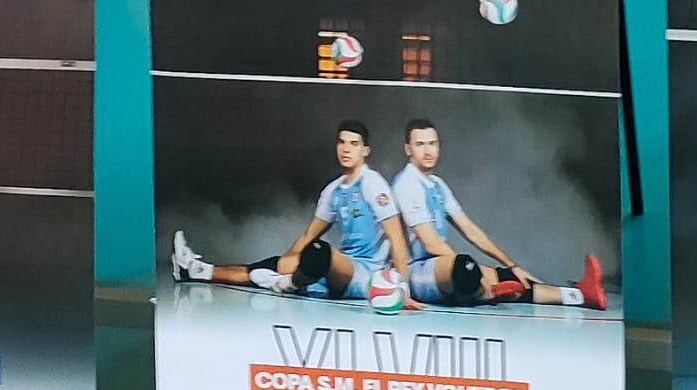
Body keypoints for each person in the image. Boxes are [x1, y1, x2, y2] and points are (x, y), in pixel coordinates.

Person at [171, 120, 414, 303]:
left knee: (321, 253)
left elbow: (396, 237)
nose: (346, 149)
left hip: (365, 274)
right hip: (338, 270)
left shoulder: (372, 183)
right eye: (342, 142)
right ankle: (195, 270)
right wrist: (283, 262)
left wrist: (403, 289)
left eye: (354, 144)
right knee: (269, 267)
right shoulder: (334, 190)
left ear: (365, 151)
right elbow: (309, 234)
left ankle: (287, 283)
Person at [390, 118, 607, 310]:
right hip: (415, 274)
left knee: (510, 277)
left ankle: (580, 295)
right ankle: (482, 292)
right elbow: (431, 244)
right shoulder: (407, 184)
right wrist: (470, 268)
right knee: (464, 269)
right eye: (420, 144)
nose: (428, 151)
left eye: (432, 143)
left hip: (441, 265)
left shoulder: (437, 184)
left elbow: (470, 230)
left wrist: (512, 265)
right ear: (408, 149)